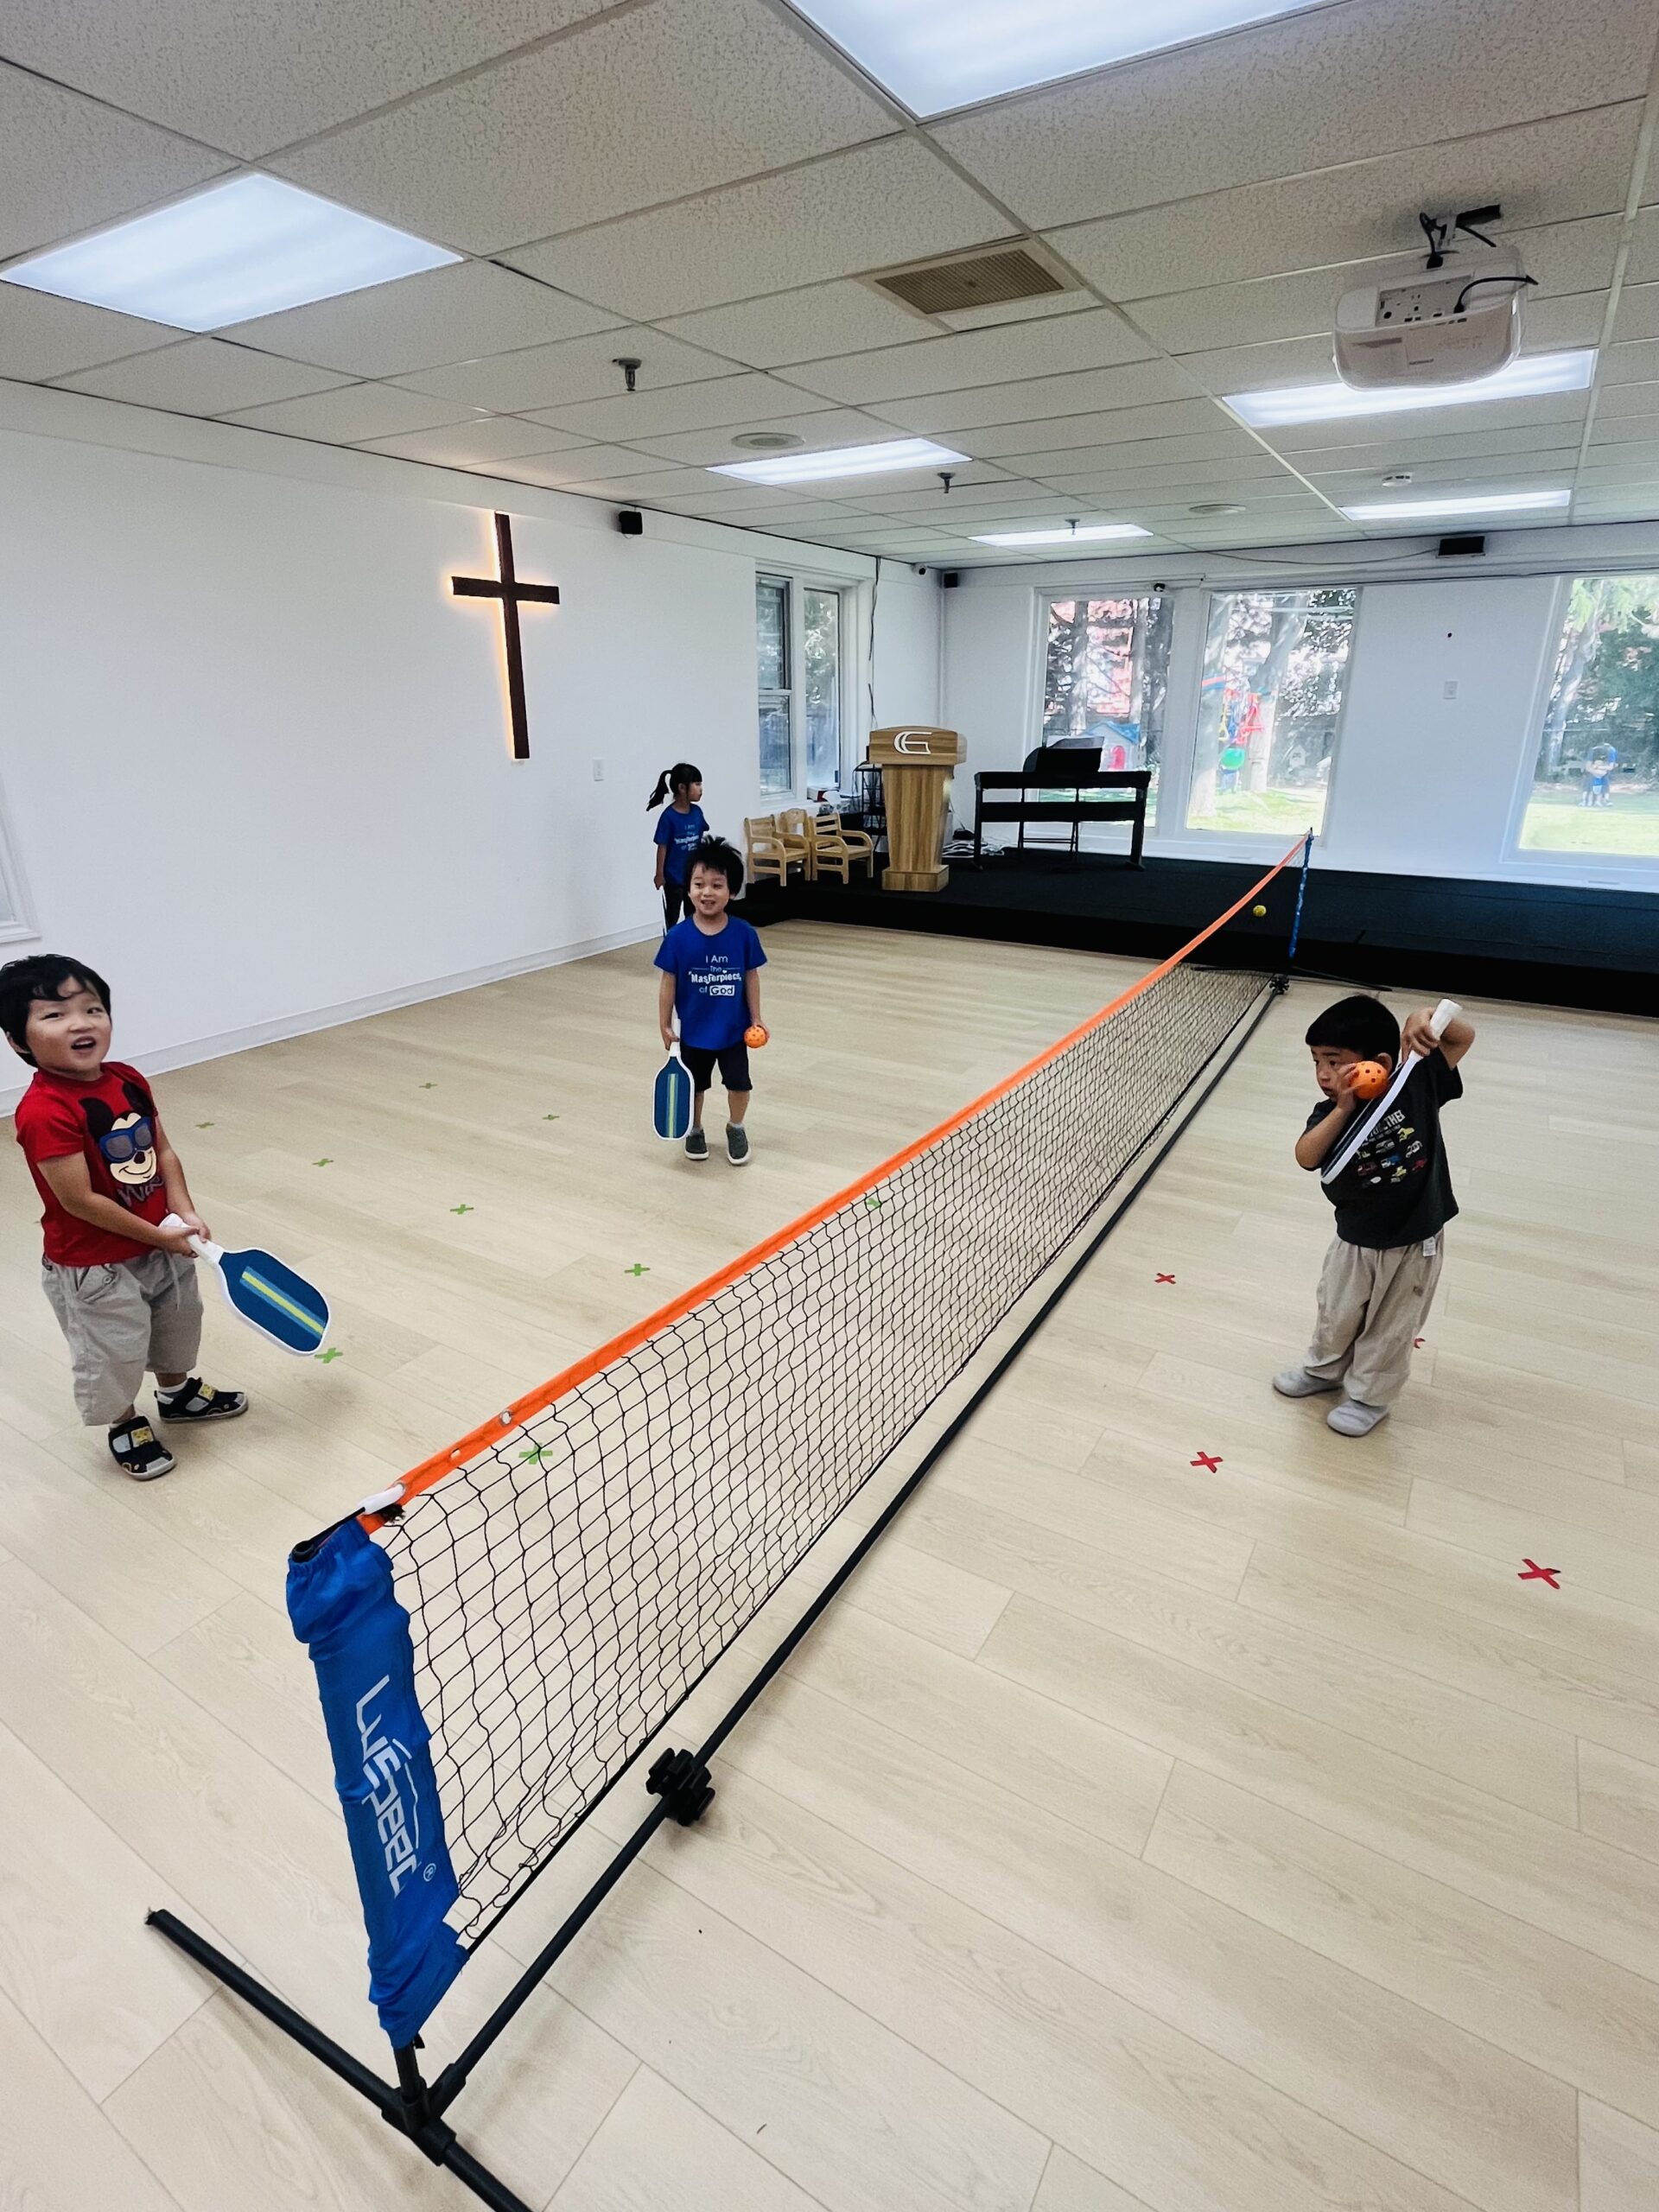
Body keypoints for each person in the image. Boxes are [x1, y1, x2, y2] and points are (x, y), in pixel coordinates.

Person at [3, 954, 247, 1478]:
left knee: (177, 1324)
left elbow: (163, 1150)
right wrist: (161, 1237)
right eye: (54, 1015)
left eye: (92, 1009)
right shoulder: (45, 1111)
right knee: (111, 1352)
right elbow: (80, 1201)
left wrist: (184, 1210)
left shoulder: (128, 1079)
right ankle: (124, 1422)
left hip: (161, 1242)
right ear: (18, 1041)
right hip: (95, 1267)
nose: (80, 1023)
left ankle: (177, 1395)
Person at [1274, 991, 1475, 1437]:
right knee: (1337, 1311)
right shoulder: (1329, 1112)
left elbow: (1462, 1037)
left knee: (1393, 1325)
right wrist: (1344, 1108)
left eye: (1334, 1061)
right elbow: (1307, 1156)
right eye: (1316, 1062)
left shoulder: (1415, 1084)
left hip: (1415, 1239)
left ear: (1379, 1063)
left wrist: (1423, 1017)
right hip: (1355, 1238)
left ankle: (1370, 1398)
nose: (1323, 1074)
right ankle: (1323, 1370)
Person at [654, 836, 766, 1165]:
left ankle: (736, 1127)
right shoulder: (677, 938)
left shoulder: (744, 934)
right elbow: (667, 983)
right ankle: (695, 1129)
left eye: (717, 885)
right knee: (695, 1087)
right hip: (693, 1033)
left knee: (740, 1085)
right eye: (699, 884)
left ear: (732, 891)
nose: (707, 892)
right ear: (688, 889)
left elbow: (751, 977)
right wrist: (664, 1024)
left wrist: (757, 1018)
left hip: (734, 1032)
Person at [648, 763, 708, 931]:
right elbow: (662, 847)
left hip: (694, 877)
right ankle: (671, 944)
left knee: (693, 914)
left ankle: (691, 942)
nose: (701, 789)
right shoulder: (669, 817)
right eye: (697, 784)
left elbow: (700, 842)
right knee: (672, 916)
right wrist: (659, 874)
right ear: (682, 788)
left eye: (701, 784)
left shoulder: (697, 813)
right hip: (674, 878)